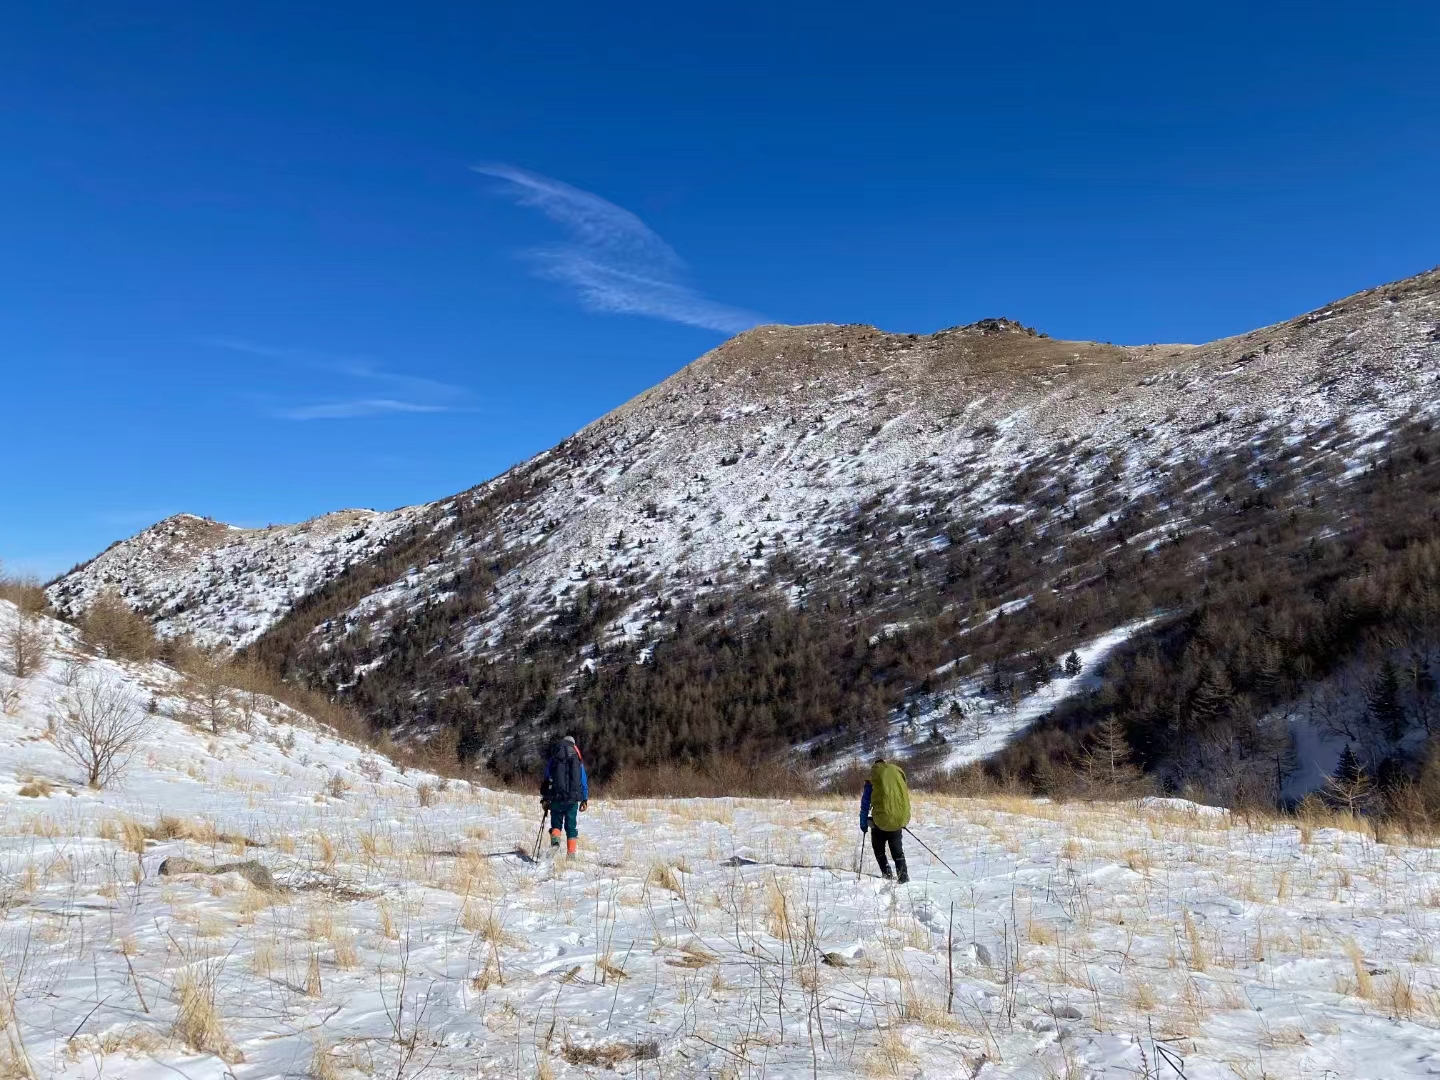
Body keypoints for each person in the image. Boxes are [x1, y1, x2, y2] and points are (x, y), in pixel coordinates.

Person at [859, 757, 910, 883]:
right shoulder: (896, 781)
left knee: (879, 850)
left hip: (879, 824)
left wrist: (863, 824)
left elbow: (865, 805)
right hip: (897, 822)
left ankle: (887, 874)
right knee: (897, 852)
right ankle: (903, 877)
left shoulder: (873, 783)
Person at [540, 735, 589, 857]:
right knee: (571, 827)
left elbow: (547, 778)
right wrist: (584, 799)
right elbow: (583, 780)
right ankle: (571, 855)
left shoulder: (554, 758)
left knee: (556, 825)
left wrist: (545, 798)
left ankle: (555, 843)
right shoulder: (577, 759)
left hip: (556, 798)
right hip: (572, 800)